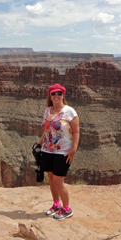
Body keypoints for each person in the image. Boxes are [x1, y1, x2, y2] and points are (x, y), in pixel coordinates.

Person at [35, 83, 80, 220]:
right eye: (53, 93)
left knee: (59, 182)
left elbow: (77, 131)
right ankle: (56, 204)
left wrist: (73, 150)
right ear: (50, 96)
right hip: (48, 149)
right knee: (51, 179)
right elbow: (46, 130)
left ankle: (67, 209)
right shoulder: (48, 111)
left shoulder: (69, 111)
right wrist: (39, 143)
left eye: (59, 93)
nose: (56, 95)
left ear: (63, 95)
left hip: (63, 151)